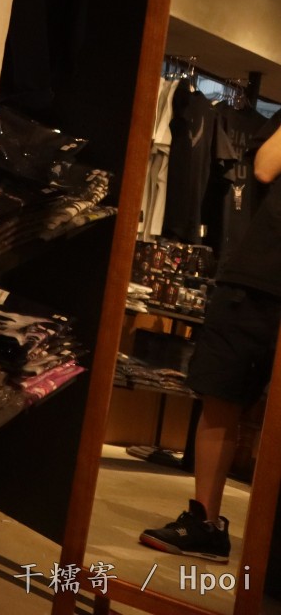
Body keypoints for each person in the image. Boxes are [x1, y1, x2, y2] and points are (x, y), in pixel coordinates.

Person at [142, 114, 281, 562]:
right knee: (220, 395)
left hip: (257, 279)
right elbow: (266, 166)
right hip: (255, 275)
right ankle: (205, 522)